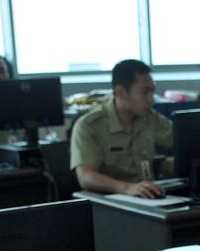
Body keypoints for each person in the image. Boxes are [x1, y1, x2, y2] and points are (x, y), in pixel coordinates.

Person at [70, 59, 172, 198]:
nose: (151, 99)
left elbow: (183, 140)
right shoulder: (89, 125)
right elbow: (86, 177)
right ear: (121, 92)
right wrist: (127, 188)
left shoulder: (150, 118)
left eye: (152, 92)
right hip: (109, 202)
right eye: (145, 92)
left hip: (148, 196)